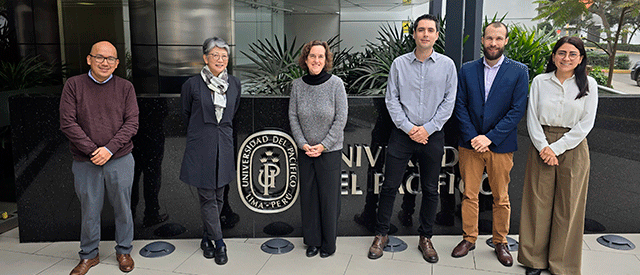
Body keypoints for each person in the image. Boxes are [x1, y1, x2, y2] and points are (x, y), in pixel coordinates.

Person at [368, 14, 457, 263]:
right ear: (414, 34)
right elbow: (391, 99)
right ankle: (381, 234)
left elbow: (448, 102)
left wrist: (427, 129)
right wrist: (409, 129)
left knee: (430, 189)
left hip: (433, 135)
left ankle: (425, 238)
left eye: (430, 30)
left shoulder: (448, 65)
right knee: (389, 186)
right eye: (421, 30)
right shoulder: (399, 64)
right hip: (402, 134)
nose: (425, 34)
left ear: (437, 35)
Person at [518, 36, 598, 275]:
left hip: (573, 147)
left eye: (573, 54)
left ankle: (562, 264)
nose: (566, 58)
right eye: (562, 53)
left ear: (581, 58)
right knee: (537, 204)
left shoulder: (589, 84)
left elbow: (586, 123)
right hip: (541, 143)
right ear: (554, 56)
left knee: (569, 206)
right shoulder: (541, 81)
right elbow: (531, 117)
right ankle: (534, 260)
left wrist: (557, 148)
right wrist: (545, 147)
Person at [451, 22, 528, 267]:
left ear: (505, 41)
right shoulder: (467, 69)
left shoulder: (519, 71)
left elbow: (517, 110)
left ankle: (500, 242)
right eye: (489, 38)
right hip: (470, 144)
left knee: (501, 197)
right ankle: (469, 238)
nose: (493, 43)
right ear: (482, 40)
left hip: (500, 145)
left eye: (498, 38)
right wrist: (474, 136)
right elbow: (460, 105)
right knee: (469, 195)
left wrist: (490, 137)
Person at [59, 41, 138, 275]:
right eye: (100, 57)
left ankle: (123, 251)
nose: (105, 62)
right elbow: (67, 123)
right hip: (86, 160)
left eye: (110, 59)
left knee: (123, 207)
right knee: (90, 209)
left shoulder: (125, 87)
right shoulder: (73, 85)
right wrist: (94, 150)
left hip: (120, 157)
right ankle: (89, 255)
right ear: (89, 59)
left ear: (116, 64)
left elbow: (132, 123)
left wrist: (109, 149)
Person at [180, 37, 240, 265]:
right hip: (200, 147)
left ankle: (206, 238)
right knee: (207, 196)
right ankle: (220, 243)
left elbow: (232, 113)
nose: (220, 60)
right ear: (205, 58)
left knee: (219, 196)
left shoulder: (234, 84)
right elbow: (186, 114)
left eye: (224, 56)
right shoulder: (192, 85)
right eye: (215, 55)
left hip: (223, 145)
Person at [289, 40, 348, 258]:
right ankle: (312, 242)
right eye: (312, 56)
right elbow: (293, 117)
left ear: (326, 60)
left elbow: (341, 118)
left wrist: (323, 145)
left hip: (330, 152)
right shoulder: (297, 85)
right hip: (305, 151)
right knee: (310, 198)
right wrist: (302, 143)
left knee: (329, 199)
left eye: (321, 56)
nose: (316, 60)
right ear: (305, 59)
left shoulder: (336, 85)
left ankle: (328, 244)